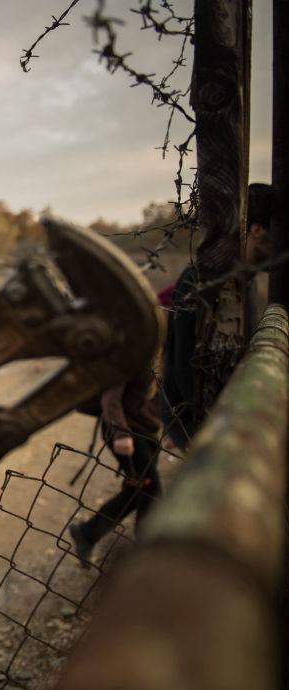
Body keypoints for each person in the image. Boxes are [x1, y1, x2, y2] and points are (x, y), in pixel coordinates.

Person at [160, 182, 274, 449]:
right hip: (204, 425)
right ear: (257, 229)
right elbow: (185, 363)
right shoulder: (203, 279)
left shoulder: (248, 279)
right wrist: (210, 426)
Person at [69, 363, 163, 567]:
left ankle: (87, 533)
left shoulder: (161, 347)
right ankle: (146, 557)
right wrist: (121, 433)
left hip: (147, 430)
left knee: (134, 492)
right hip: (128, 433)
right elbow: (110, 397)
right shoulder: (136, 347)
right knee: (151, 490)